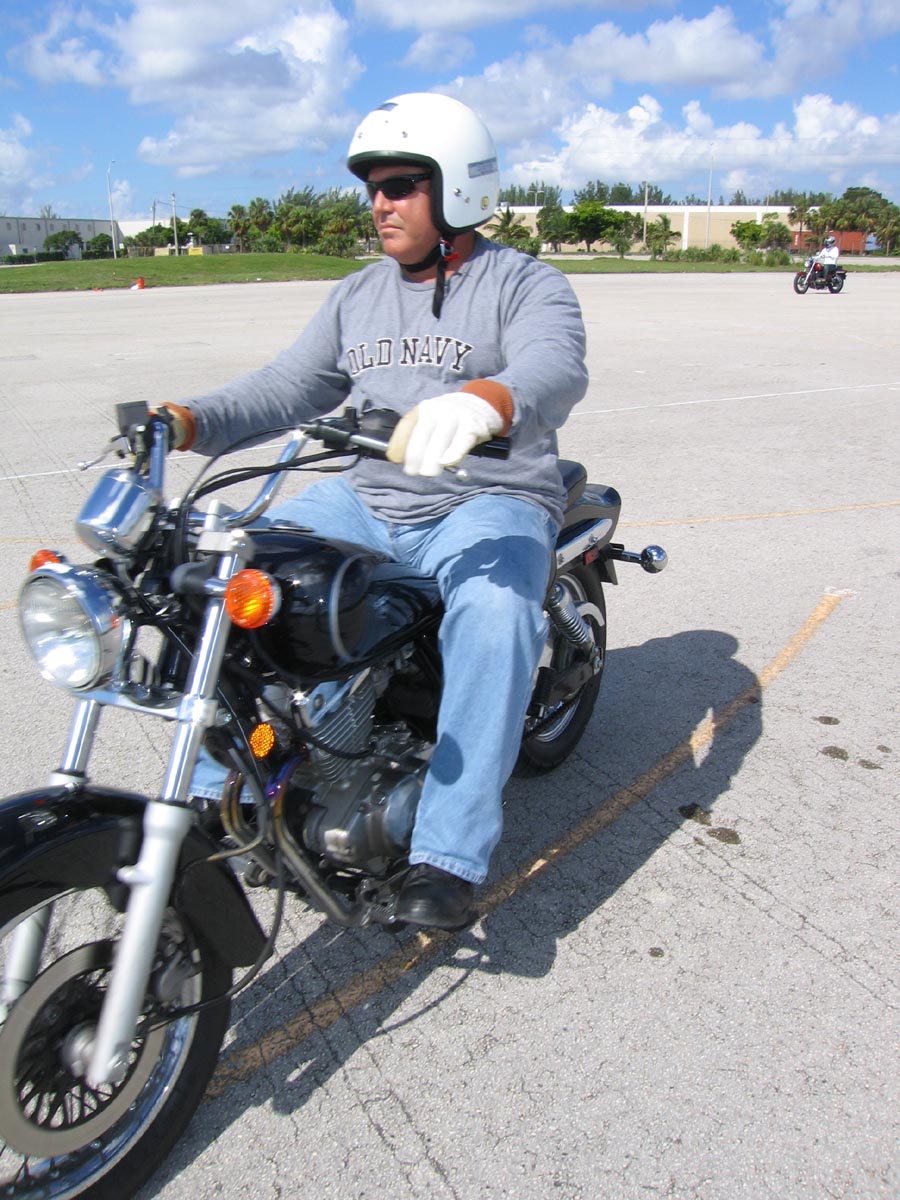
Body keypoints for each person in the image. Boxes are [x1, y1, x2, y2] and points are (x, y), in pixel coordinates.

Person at [161, 92, 588, 930]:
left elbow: (556, 366)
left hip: (488, 501)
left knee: (496, 614)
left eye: (400, 185)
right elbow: (288, 387)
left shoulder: (523, 282)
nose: (380, 203)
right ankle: (223, 791)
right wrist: (187, 420)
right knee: (230, 574)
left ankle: (447, 854)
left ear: (457, 188)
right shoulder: (358, 294)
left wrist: (487, 402)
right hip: (365, 499)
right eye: (372, 187)